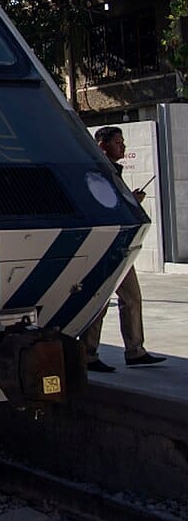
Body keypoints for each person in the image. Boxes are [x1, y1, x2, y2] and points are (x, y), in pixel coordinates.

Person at [81, 126, 166, 372]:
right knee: (100, 301)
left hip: (121, 247)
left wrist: (131, 200)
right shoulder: (96, 172)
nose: (123, 147)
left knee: (131, 298)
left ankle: (135, 350)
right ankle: (87, 353)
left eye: (123, 142)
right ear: (102, 146)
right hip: (104, 247)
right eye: (118, 142)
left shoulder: (113, 171)